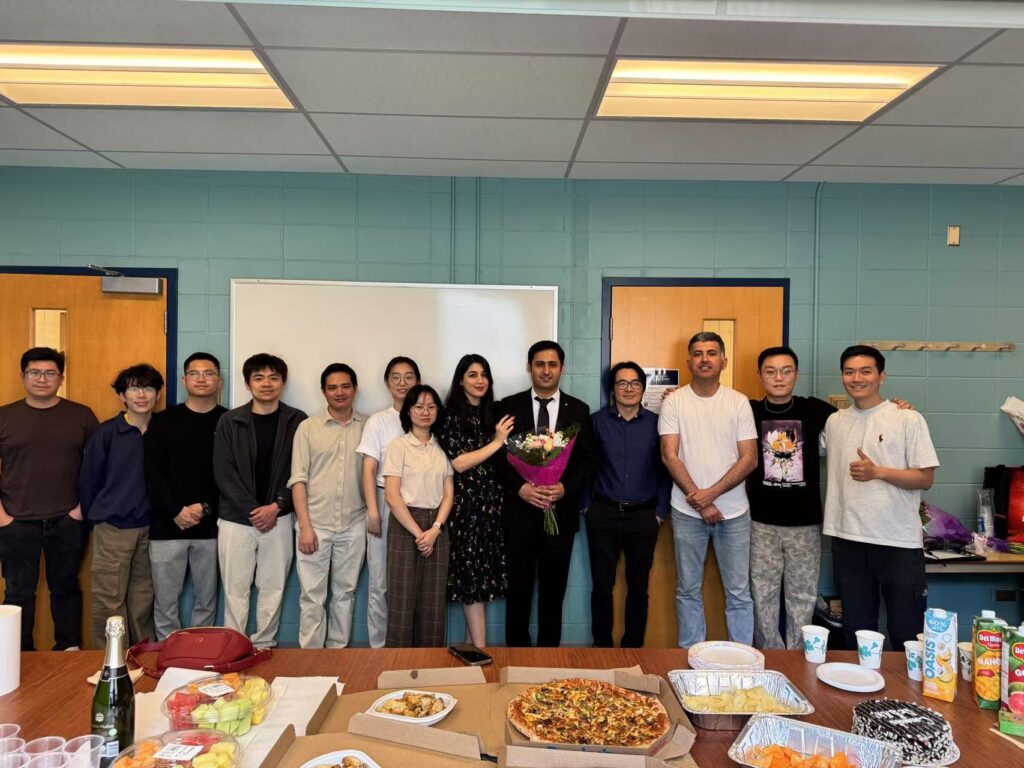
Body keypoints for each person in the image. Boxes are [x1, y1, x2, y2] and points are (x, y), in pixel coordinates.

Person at [824, 345, 938, 652]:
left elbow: (925, 478)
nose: (857, 378)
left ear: (881, 376)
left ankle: (907, 687)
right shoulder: (834, 422)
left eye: (866, 371)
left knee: (907, 633)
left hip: (897, 541)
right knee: (857, 634)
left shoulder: (907, 419)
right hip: (848, 539)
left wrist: (878, 472)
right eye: (849, 372)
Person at [494, 340, 598, 647]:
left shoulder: (578, 410)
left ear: (562, 368)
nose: (546, 370)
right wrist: (521, 488)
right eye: (539, 364)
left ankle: (547, 660)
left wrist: (565, 487)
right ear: (529, 367)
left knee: (553, 593)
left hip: (560, 516)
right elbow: (498, 457)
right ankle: (516, 659)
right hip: (519, 515)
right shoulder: (508, 406)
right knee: (519, 591)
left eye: (553, 364)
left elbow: (589, 460)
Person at [659, 331, 757, 648]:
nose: (705, 359)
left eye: (712, 353)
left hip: (735, 514)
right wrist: (701, 502)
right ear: (689, 361)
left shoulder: (738, 402)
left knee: (739, 592)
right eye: (698, 353)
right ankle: (692, 656)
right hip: (687, 512)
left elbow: (750, 458)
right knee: (688, 590)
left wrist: (710, 495)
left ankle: (743, 659)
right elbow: (669, 455)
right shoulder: (674, 402)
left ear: (723, 361)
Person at [0, 347, 97, 650]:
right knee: (17, 592)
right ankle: (17, 655)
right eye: (35, 373)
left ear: (61, 378)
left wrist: (80, 510)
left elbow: (97, 467)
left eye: (50, 373)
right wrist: (2, 515)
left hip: (68, 519)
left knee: (66, 588)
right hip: (15, 521)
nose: (42, 379)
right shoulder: (4, 416)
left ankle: (68, 651)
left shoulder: (81, 415)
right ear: (22, 376)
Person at [213, 353, 306, 649]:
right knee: (235, 589)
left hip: (279, 518)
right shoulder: (230, 421)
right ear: (247, 383)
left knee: (273, 587)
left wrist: (277, 506)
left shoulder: (297, 421)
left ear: (283, 382)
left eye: (273, 377)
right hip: (236, 520)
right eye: (259, 377)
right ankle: (235, 647)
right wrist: (254, 511)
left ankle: (265, 645)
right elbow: (223, 472)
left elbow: (301, 470)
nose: (267, 383)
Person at [747, 346, 836, 650]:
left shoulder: (816, 410)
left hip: (805, 523)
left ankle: (798, 657)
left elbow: (860, 419)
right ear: (760, 375)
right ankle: (770, 656)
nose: (779, 378)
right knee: (762, 594)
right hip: (760, 522)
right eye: (770, 371)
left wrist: (898, 408)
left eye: (786, 371)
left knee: (802, 595)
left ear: (796, 375)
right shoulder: (748, 410)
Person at [80, 363, 164, 647]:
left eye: (148, 388)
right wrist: (97, 520)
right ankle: (109, 660)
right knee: (109, 598)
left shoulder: (163, 430)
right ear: (122, 396)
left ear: (158, 394)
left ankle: (143, 656)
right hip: (113, 528)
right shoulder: (106, 433)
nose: (141, 395)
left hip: (152, 529)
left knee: (144, 597)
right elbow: (89, 481)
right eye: (133, 388)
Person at [144, 352, 226, 640]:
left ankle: (200, 651)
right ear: (184, 380)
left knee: (207, 600)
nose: (201, 379)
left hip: (211, 528)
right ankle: (168, 652)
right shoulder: (163, 421)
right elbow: (153, 472)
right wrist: (176, 510)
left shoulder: (228, 421)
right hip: (167, 526)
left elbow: (231, 476)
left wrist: (204, 508)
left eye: (208, 373)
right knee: (165, 602)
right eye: (194, 373)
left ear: (219, 381)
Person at [588, 361, 670, 648]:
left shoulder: (657, 424)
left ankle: (633, 648)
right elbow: (585, 467)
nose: (629, 388)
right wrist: (588, 507)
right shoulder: (596, 422)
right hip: (603, 515)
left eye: (635, 383)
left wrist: (660, 512)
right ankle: (602, 648)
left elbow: (666, 470)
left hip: (644, 517)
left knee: (638, 588)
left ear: (643, 388)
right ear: (612, 389)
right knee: (602, 586)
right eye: (621, 383)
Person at [288, 363, 367, 648]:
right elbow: (298, 479)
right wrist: (305, 527)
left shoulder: (369, 427)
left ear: (355, 389)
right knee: (312, 596)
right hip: (315, 524)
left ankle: (337, 654)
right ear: (323, 392)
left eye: (345, 386)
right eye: (332, 388)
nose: (339, 392)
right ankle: (310, 658)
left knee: (345, 594)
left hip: (354, 524)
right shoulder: (307, 428)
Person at [439, 354, 514, 647]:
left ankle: (470, 650)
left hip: (493, 508)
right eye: (472, 375)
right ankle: (481, 650)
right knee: (471, 579)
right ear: (460, 380)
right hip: (466, 509)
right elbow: (459, 463)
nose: (480, 380)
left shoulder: (494, 414)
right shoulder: (449, 415)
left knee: (482, 580)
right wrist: (496, 442)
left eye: (484, 374)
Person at [382, 384, 454, 647]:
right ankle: (398, 665)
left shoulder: (443, 448)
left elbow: (449, 495)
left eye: (431, 407)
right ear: (409, 411)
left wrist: (435, 529)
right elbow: (392, 496)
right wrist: (419, 534)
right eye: (419, 406)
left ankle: (430, 665)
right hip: (405, 526)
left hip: (437, 527)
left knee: (433, 604)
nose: (426, 412)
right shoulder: (398, 446)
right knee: (402, 601)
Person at [355, 356, 420, 648]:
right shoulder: (379, 420)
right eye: (396, 377)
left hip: (419, 503)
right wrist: (373, 510)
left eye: (409, 377)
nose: (402, 383)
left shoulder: (427, 416)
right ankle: (379, 649)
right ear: (387, 382)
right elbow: (369, 468)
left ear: (418, 381)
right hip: (384, 500)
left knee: (413, 582)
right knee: (380, 582)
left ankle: (410, 649)